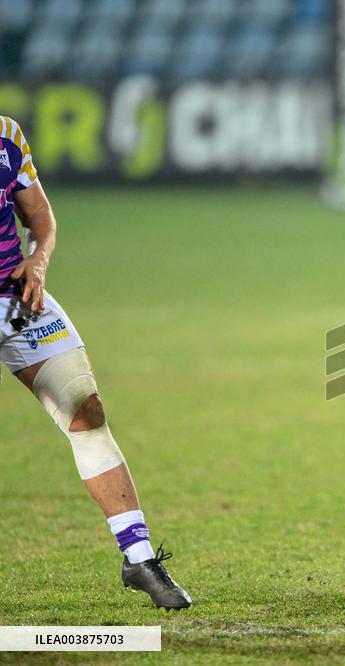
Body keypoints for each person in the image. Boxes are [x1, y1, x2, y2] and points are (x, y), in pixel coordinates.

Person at [0, 116, 191, 609]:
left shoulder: (7, 136)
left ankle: (140, 557)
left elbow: (40, 217)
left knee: (85, 410)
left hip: (14, 297)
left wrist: (38, 260)